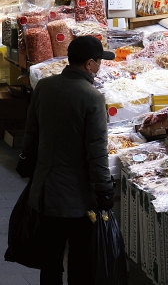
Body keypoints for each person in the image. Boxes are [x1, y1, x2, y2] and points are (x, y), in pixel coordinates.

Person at [22, 36, 116, 285]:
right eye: (99, 62)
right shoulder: (92, 97)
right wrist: (105, 190)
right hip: (76, 197)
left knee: (50, 259)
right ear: (89, 64)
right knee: (79, 260)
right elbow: (96, 152)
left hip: (44, 190)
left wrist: (28, 163)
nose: (100, 66)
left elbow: (31, 132)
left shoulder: (44, 86)